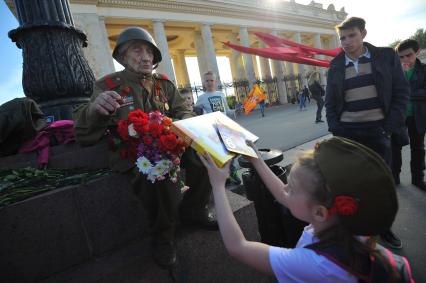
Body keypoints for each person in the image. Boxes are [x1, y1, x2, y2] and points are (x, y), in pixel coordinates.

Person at [73, 27, 217, 268]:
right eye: (137, 50)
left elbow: (183, 110)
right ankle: (163, 234)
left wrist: (181, 125)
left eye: (149, 51)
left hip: (170, 144)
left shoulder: (164, 84)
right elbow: (83, 134)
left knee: (203, 151)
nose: (146, 56)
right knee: (154, 170)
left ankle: (195, 208)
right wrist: (96, 109)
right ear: (122, 57)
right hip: (134, 154)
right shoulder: (109, 85)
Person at [198, 137, 405, 282]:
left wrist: (217, 185)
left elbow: (238, 247)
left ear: (319, 213)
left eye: (292, 188)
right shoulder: (350, 228)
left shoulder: (316, 266)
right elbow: (283, 196)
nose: (285, 188)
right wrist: (256, 159)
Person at [324, 17, 409, 249]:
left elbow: (401, 93)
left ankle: (384, 228)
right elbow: (330, 102)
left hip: (378, 131)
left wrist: (388, 127)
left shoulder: (386, 56)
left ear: (363, 33)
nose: (347, 42)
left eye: (352, 35)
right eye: (342, 38)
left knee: (381, 184)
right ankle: (357, 228)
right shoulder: (336, 65)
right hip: (347, 133)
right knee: (350, 184)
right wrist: (336, 127)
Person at [195, 71, 241, 186]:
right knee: (219, 155)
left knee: (232, 152)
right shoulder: (201, 98)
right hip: (212, 131)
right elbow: (196, 115)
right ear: (203, 83)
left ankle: (232, 172)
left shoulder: (221, 94)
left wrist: (236, 111)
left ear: (215, 81)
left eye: (212, 80)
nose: (209, 82)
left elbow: (227, 111)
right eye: (207, 80)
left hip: (225, 128)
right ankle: (224, 177)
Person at [392, 39, 426, 191]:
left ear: (417, 52)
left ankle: (418, 179)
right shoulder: (394, 71)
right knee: (394, 147)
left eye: (409, 55)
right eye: (401, 57)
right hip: (398, 116)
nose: (405, 59)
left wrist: (405, 92)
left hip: (418, 116)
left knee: (417, 148)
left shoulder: (424, 69)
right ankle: (394, 178)